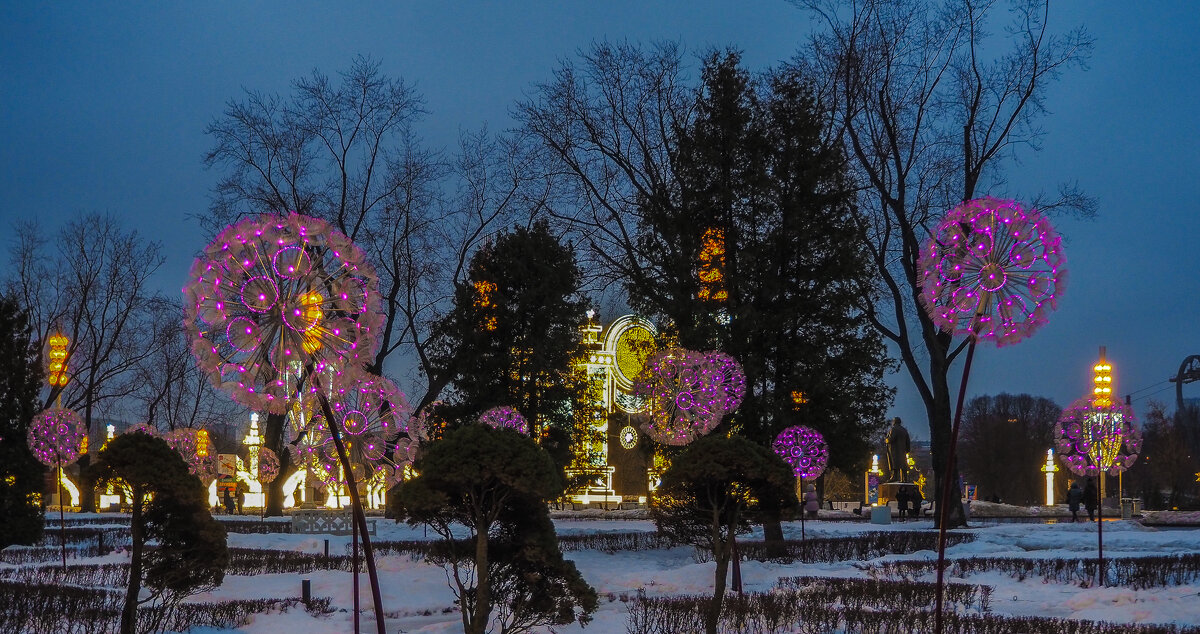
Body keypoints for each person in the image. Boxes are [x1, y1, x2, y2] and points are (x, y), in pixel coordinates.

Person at [884, 417, 911, 482]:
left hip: (894, 451)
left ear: (894, 422)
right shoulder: (904, 430)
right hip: (903, 451)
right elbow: (908, 441)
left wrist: (886, 440)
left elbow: (891, 439)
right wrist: (907, 450)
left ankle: (894, 477)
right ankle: (904, 478)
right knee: (903, 464)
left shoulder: (894, 429)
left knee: (894, 464)